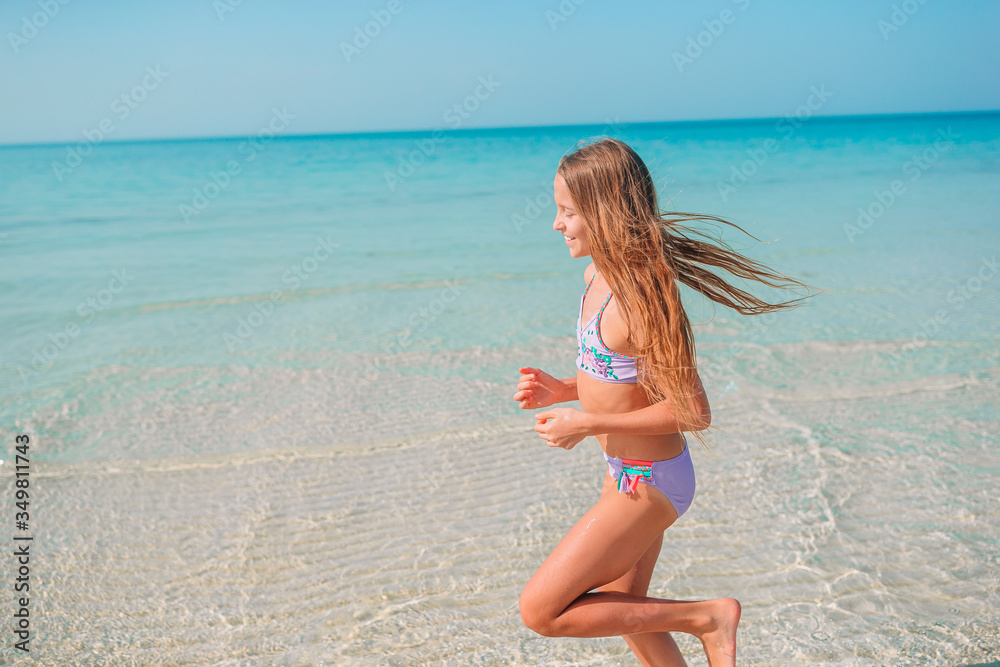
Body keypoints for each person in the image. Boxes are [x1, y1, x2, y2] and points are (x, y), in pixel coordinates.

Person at [512, 137, 817, 666]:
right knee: (630, 616)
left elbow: (693, 410)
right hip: (623, 472)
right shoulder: (595, 277)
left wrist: (583, 421)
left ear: (604, 212)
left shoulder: (643, 296)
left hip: (651, 481)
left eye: (567, 212)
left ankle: (708, 617)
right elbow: (618, 376)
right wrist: (563, 390)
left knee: (542, 611)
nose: (557, 224)